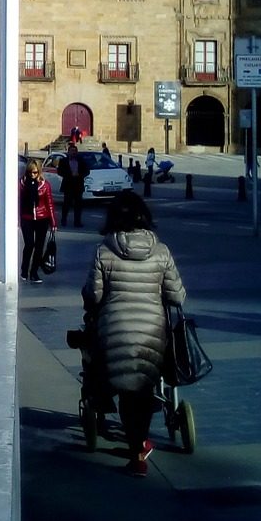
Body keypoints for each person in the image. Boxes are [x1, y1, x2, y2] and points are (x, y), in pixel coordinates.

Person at [83, 192, 186, 478]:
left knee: (123, 385)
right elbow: (177, 296)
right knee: (141, 387)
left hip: (114, 331)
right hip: (152, 333)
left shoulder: (104, 251)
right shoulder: (162, 251)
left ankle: (137, 449)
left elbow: (94, 293)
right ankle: (139, 447)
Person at [19, 158, 58, 283]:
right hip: (27, 217)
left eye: (35, 172)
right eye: (30, 172)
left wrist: (53, 222)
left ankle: (34, 272)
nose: (32, 175)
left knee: (39, 247)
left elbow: (50, 204)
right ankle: (24, 270)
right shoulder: (21, 183)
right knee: (29, 245)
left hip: (42, 217)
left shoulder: (45, 185)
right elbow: (18, 202)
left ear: (39, 172)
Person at [59, 151, 88, 228]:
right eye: (72, 151)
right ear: (69, 152)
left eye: (74, 151)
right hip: (68, 185)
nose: (73, 153)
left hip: (78, 185)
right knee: (66, 204)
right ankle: (64, 220)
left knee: (78, 205)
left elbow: (87, 171)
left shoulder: (81, 160)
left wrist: (80, 174)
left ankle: (77, 222)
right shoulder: (63, 161)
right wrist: (69, 174)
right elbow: (60, 171)